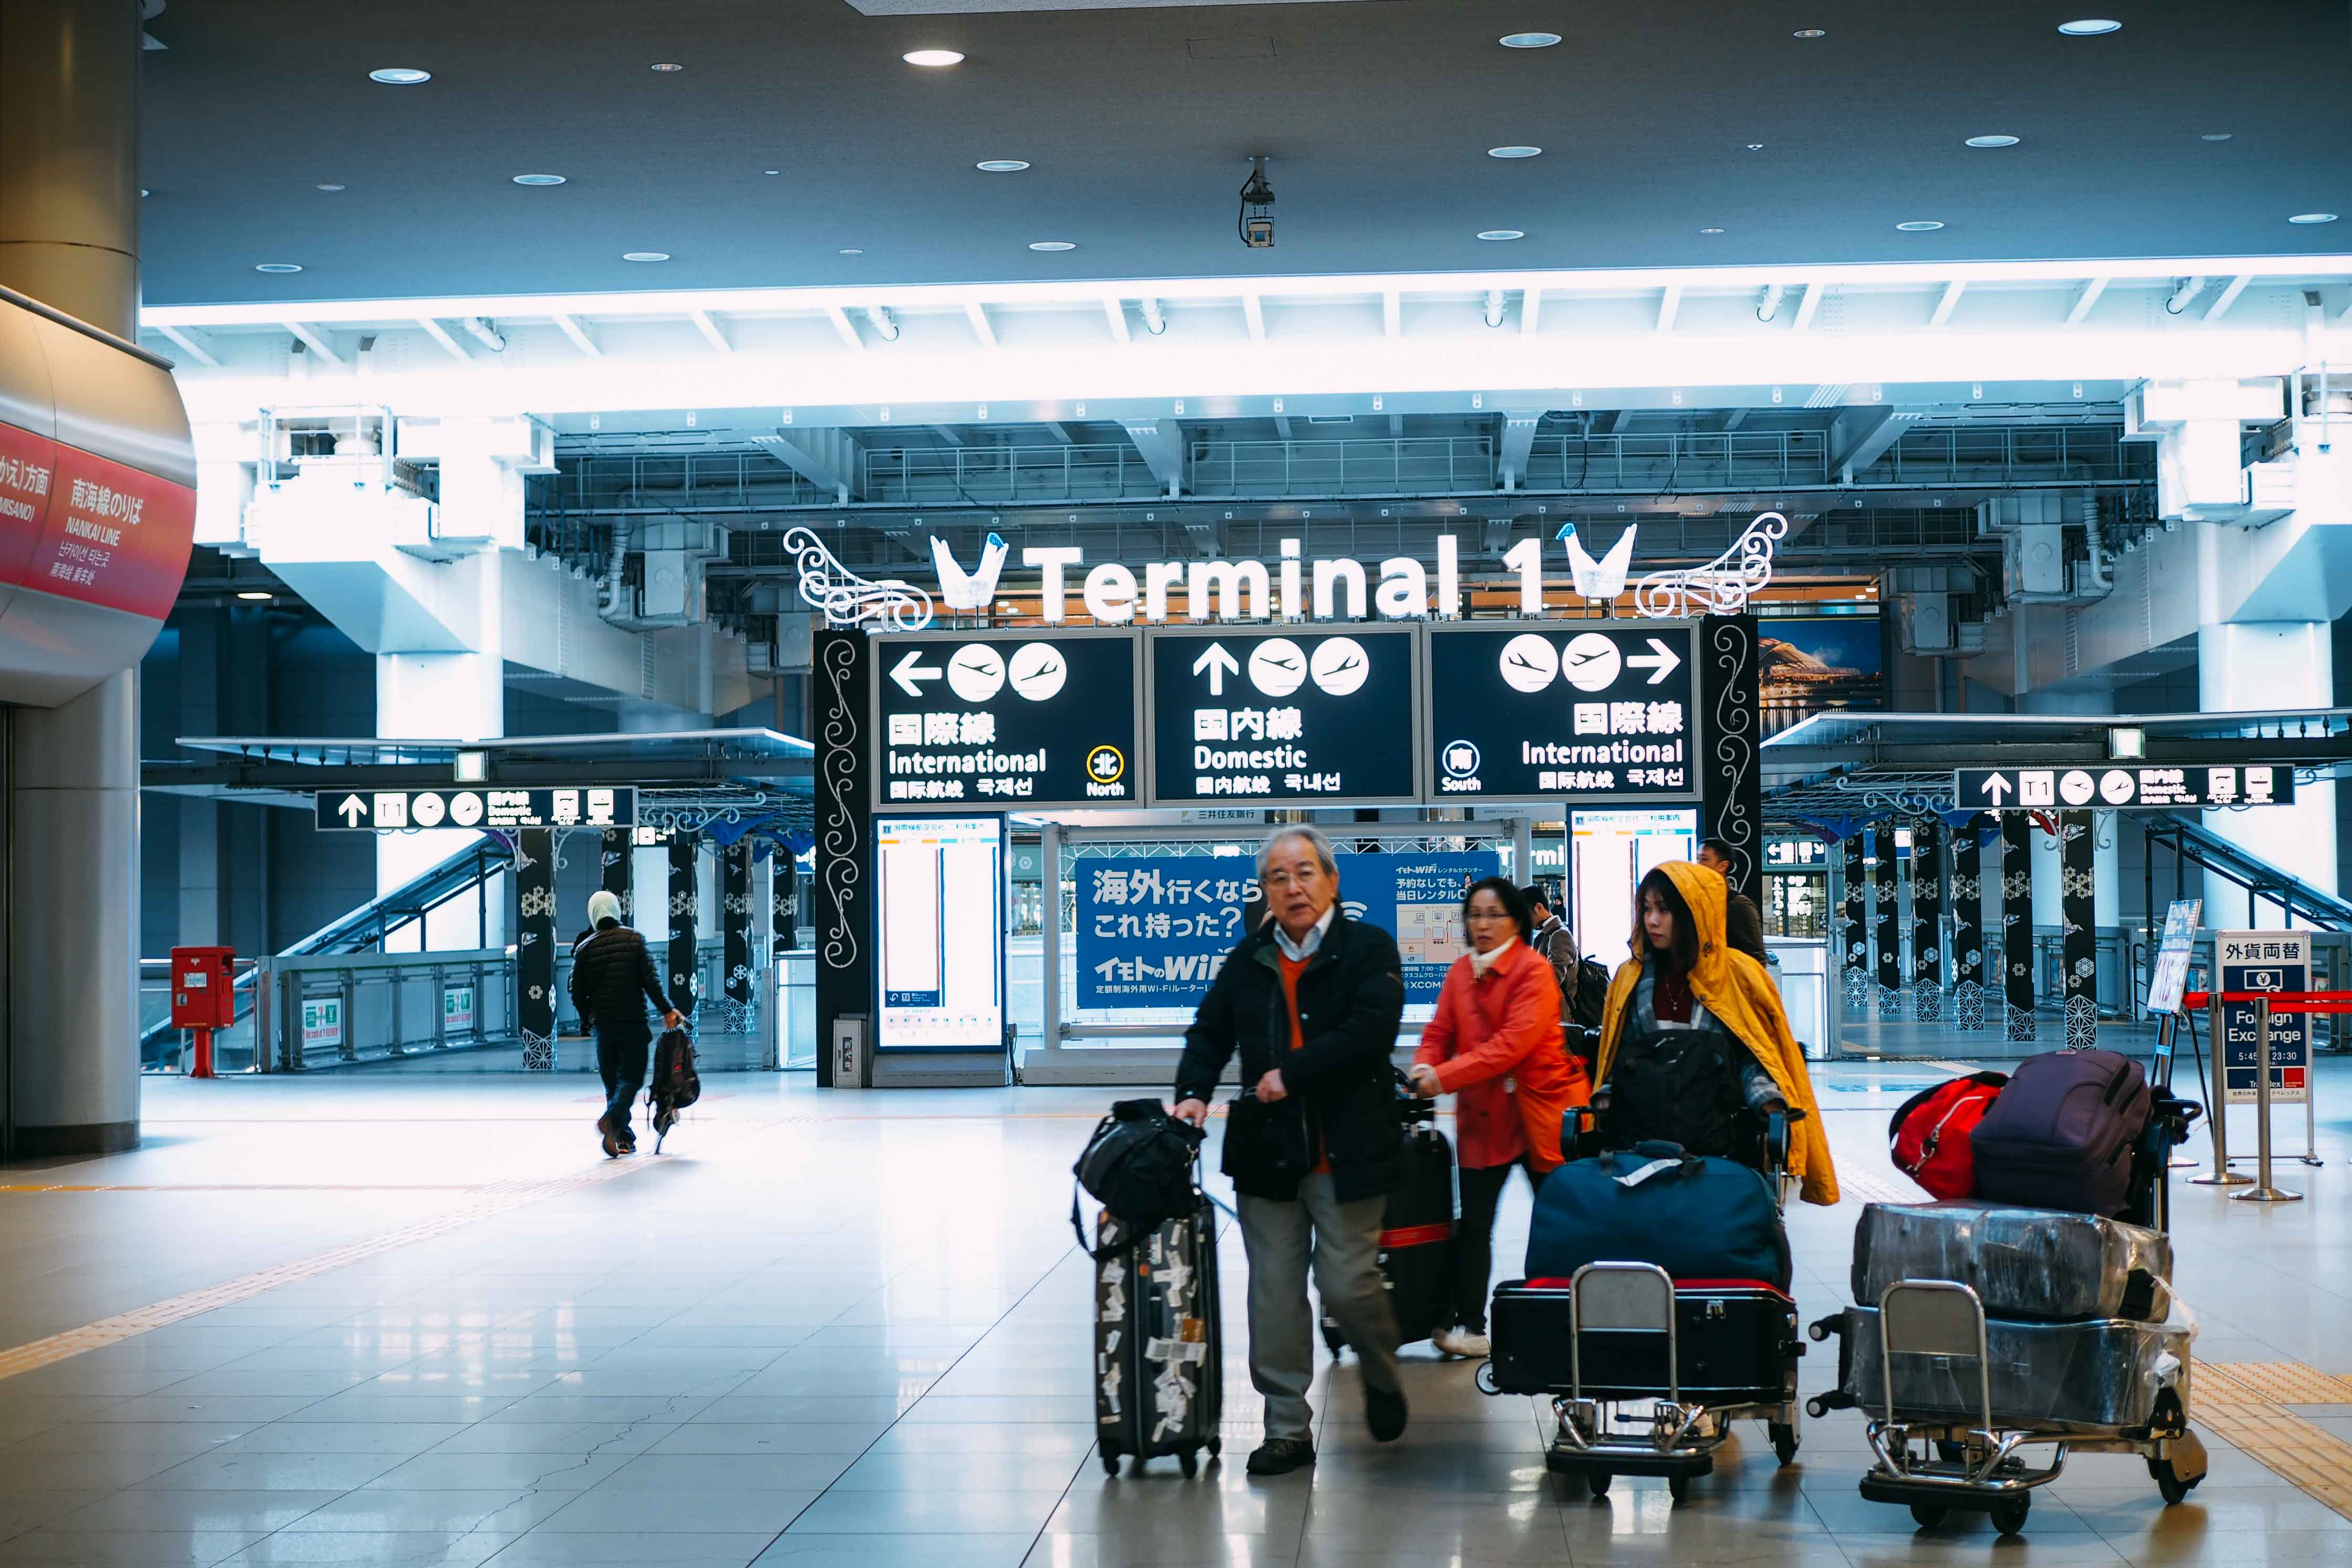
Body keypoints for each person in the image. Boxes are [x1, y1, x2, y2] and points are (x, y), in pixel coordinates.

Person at [1174, 826, 1409, 1476]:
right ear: (1265, 890)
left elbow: (1372, 1030)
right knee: (1273, 1293)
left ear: (1332, 881)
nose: (1293, 886)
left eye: (1305, 871)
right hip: (1268, 1154)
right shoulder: (1249, 956)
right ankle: (1286, 1426)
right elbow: (1210, 1030)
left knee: (1347, 1283)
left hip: (1348, 1148)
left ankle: (1383, 1372)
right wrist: (1193, 1091)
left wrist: (1293, 1073)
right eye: (1278, 876)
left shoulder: (1368, 946)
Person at [1407, 878, 1588, 1358]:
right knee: (1475, 1227)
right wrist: (1426, 1062)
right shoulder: (1460, 973)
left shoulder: (1533, 972)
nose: (1483, 925)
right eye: (1476, 914)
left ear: (1517, 920)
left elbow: (1509, 1047)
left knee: (1554, 1225)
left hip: (1541, 1113)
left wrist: (1441, 1078)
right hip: (1485, 1118)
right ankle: (1470, 1327)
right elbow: (1440, 1029)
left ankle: (1562, 1317)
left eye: (1495, 915)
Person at [1593, 862, 1838, 1205]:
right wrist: (1606, 1093)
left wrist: (1768, 1100)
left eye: (1664, 910)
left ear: (1694, 913)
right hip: (1641, 1136)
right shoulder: (1630, 978)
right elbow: (1622, 1054)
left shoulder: (1736, 976)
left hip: (1717, 1137)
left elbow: (1752, 1054)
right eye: (1646, 909)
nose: (1652, 920)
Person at [568, 890, 683, 1157]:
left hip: (604, 1028)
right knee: (631, 1079)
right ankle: (613, 1123)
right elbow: (651, 982)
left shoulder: (584, 949)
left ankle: (622, 1138)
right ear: (616, 911)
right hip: (633, 1023)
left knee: (613, 1084)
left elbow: (576, 992)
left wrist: (589, 1019)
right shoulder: (635, 940)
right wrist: (667, 1010)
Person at [1695, 838, 1769, 967]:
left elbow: (1756, 960)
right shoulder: (1699, 903)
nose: (1698, 865)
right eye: (1698, 859)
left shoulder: (1739, 906)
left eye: (1704, 859)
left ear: (1723, 866)